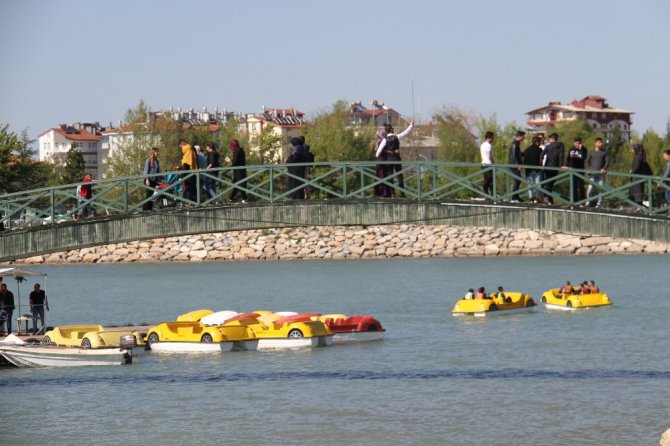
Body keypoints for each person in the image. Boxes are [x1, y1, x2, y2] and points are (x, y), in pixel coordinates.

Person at [375, 121, 414, 197]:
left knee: (390, 176)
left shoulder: (385, 140)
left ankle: (393, 194)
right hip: (397, 159)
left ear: (386, 131)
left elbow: (378, 151)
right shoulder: (397, 137)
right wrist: (411, 125)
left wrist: (378, 157)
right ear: (392, 130)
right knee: (400, 176)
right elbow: (406, 132)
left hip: (389, 160)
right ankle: (402, 194)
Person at [585, 137, 610, 208]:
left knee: (601, 188)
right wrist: (588, 169)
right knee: (590, 187)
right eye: (599, 142)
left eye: (601, 142)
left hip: (601, 174)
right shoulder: (591, 152)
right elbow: (587, 161)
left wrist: (604, 168)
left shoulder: (605, 152)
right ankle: (588, 202)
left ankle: (599, 203)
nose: (601, 144)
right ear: (595, 143)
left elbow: (608, 161)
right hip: (592, 173)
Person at [541, 133, 565, 204]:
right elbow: (561, 156)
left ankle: (548, 200)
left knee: (547, 184)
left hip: (547, 167)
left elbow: (542, 154)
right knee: (550, 184)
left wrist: (541, 164)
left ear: (551, 139)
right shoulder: (560, 146)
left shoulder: (548, 146)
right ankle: (549, 200)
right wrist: (561, 165)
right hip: (555, 167)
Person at [566, 137, 588, 204]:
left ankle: (582, 202)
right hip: (573, 170)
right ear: (574, 143)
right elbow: (568, 159)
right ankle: (574, 202)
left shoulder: (584, 149)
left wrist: (581, 149)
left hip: (580, 170)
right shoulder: (571, 149)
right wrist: (568, 166)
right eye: (576, 143)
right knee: (573, 186)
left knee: (581, 187)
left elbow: (584, 158)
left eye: (578, 143)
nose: (577, 144)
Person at [523, 136, 543, 203]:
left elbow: (524, 160)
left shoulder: (527, 150)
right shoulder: (540, 150)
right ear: (537, 142)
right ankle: (537, 199)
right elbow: (540, 160)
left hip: (529, 170)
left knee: (530, 185)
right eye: (540, 141)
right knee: (538, 184)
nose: (540, 143)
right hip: (537, 170)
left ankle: (531, 198)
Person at [508, 130, 525, 202]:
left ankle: (516, 196)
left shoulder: (516, 143)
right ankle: (514, 197)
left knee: (518, 180)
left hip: (513, 164)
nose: (524, 138)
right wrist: (518, 164)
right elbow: (514, 155)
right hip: (514, 165)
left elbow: (517, 154)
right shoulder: (515, 143)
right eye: (523, 136)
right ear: (520, 136)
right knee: (517, 180)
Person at [374, 130, 390, 197]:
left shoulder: (383, 142)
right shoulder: (379, 142)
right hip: (381, 160)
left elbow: (379, 151)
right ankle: (381, 192)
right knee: (381, 176)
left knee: (382, 176)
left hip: (381, 160)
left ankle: (383, 193)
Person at [480, 131, 495, 197]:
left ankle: (486, 194)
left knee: (486, 179)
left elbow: (482, 155)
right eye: (492, 137)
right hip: (489, 164)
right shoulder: (489, 145)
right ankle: (492, 195)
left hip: (483, 164)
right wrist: (493, 162)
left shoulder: (482, 144)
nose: (493, 139)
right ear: (489, 137)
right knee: (491, 180)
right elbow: (489, 156)